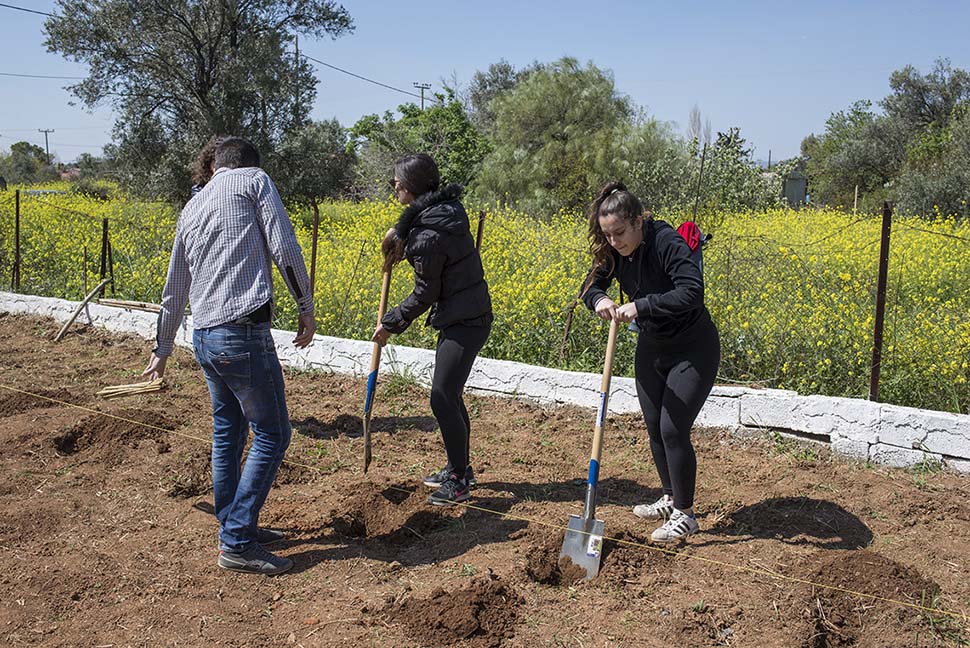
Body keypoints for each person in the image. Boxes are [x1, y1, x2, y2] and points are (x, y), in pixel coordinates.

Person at [142, 137, 316, 575]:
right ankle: (237, 540)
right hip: (241, 332)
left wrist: (162, 348)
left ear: (215, 166)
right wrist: (305, 306)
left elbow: (174, 285)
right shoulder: (253, 180)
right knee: (273, 434)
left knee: (228, 433)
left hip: (204, 336)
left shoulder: (193, 205)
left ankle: (234, 523)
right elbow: (284, 244)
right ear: (248, 164)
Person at [581, 181, 720, 543]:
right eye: (608, 235)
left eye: (620, 233)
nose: (614, 242)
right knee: (656, 424)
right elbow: (589, 286)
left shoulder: (665, 242)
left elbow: (692, 291)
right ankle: (670, 498)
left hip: (693, 346)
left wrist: (641, 305)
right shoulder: (613, 250)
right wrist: (599, 300)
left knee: (674, 428)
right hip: (651, 346)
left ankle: (686, 515)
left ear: (639, 221)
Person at [373, 153, 492, 506]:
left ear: (408, 188)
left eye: (396, 184)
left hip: (464, 321)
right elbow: (423, 234)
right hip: (468, 314)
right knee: (450, 394)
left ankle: (458, 479)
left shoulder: (428, 234)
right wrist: (402, 236)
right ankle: (462, 468)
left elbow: (427, 292)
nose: (394, 189)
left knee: (441, 396)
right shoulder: (446, 213)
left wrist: (391, 323)